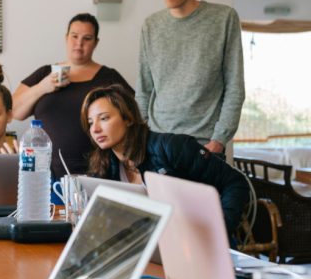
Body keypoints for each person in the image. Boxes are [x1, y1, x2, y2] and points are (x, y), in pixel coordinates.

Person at [81, 84, 250, 235]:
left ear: (128, 118)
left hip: (197, 244)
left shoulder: (171, 147)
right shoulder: (105, 165)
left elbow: (235, 182)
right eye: (90, 122)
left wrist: (218, 230)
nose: (95, 129)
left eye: (104, 118)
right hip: (153, 248)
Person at [137, 0, 244, 157]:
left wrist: (219, 140)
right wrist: (140, 139)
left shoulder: (223, 18)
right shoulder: (151, 25)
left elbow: (235, 86)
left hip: (204, 145)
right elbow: (144, 90)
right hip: (158, 142)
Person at [13, 13, 133, 179]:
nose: (79, 43)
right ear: (66, 38)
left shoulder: (109, 77)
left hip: (99, 172)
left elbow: (134, 115)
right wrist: (42, 87)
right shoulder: (45, 73)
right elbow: (15, 111)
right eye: (74, 36)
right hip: (44, 174)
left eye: (87, 38)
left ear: (96, 43)